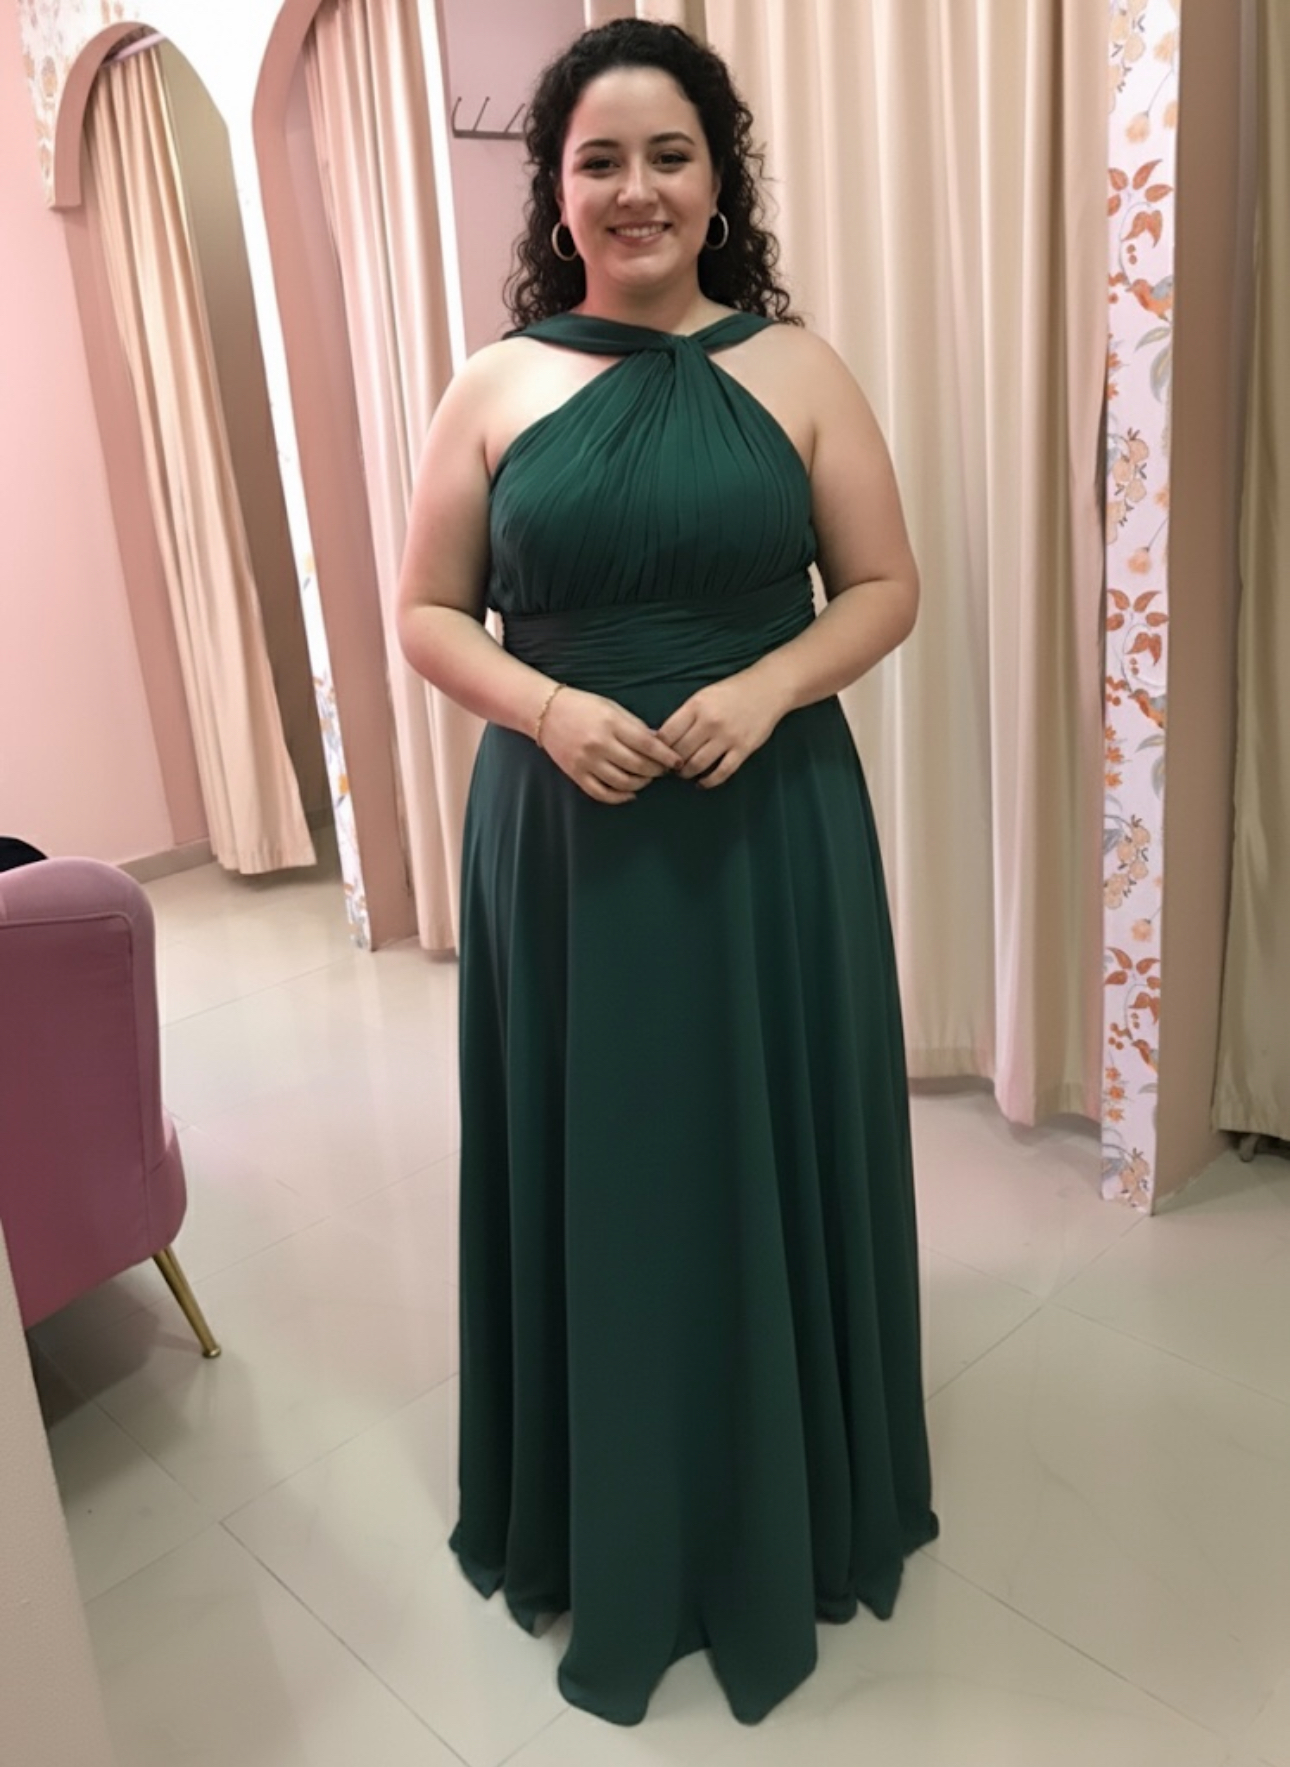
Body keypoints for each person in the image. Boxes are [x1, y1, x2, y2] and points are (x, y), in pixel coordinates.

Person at [397, 16, 937, 1727]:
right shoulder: (493, 384)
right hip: (562, 836)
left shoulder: (798, 369)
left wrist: (767, 689)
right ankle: (608, 1498)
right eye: (599, 160)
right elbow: (425, 614)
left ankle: (791, 1482)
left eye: (669, 154)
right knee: (608, 1162)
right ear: (556, 193)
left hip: (769, 826)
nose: (635, 189)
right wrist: (548, 707)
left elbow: (882, 587)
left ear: (718, 180)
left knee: (766, 1133)